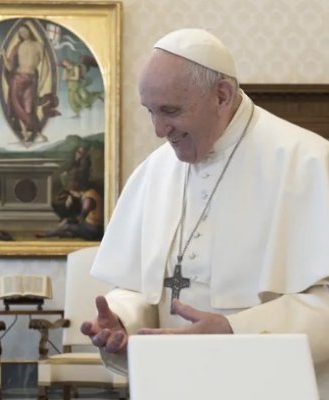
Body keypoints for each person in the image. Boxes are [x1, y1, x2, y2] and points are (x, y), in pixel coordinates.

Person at [80, 28, 329, 398]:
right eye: (150, 111)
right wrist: (121, 320)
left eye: (171, 111)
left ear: (222, 96)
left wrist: (234, 332)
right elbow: (139, 288)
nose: (159, 130)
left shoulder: (306, 162)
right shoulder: (155, 171)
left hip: (269, 387)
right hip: (171, 385)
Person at [0, 23, 59, 144]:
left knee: (28, 109)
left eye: (25, 31)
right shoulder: (18, 47)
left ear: (30, 31)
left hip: (31, 79)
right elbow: (10, 67)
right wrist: (3, 55)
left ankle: (37, 132)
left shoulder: (39, 45)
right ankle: (26, 134)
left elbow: (46, 67)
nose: (23, 34)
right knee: (18, 107)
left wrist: (42, 83)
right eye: (21, 32)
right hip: (16, 79)